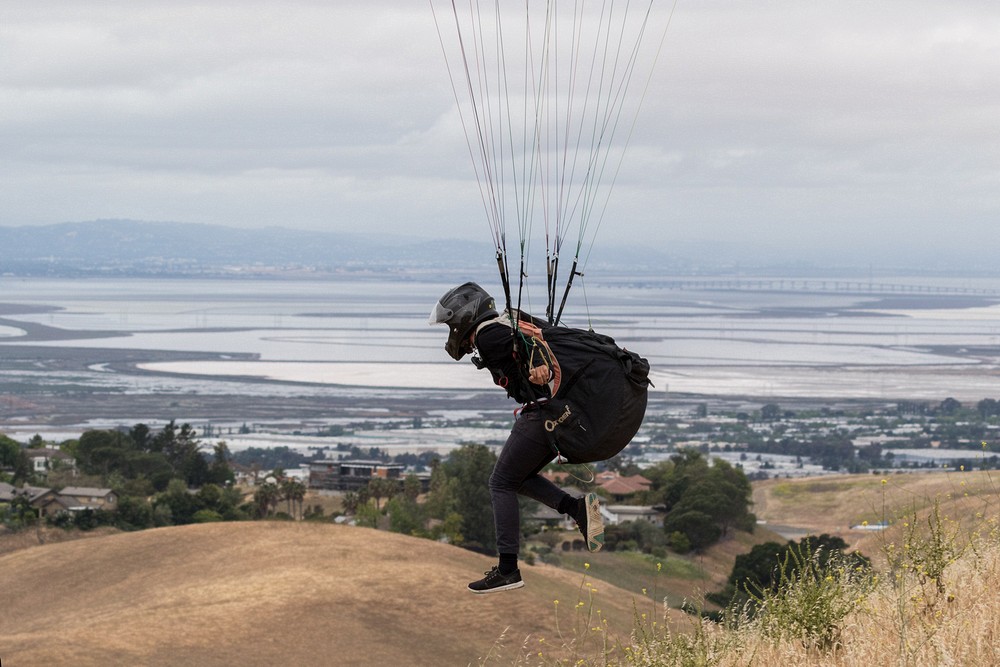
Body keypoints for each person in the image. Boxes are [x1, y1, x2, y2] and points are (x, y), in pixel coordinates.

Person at [429, 282, 650, 594]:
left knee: (501, 481)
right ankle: (577, 510)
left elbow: (532, 351)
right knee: (516, 477)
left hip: (550, 413)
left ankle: (508, 569)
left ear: (466, 317)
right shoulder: (511, 319)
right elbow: (538, 342)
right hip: (578, 411)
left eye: (451, 324)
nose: (451, 331)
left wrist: (539, 367)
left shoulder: (489, 334)